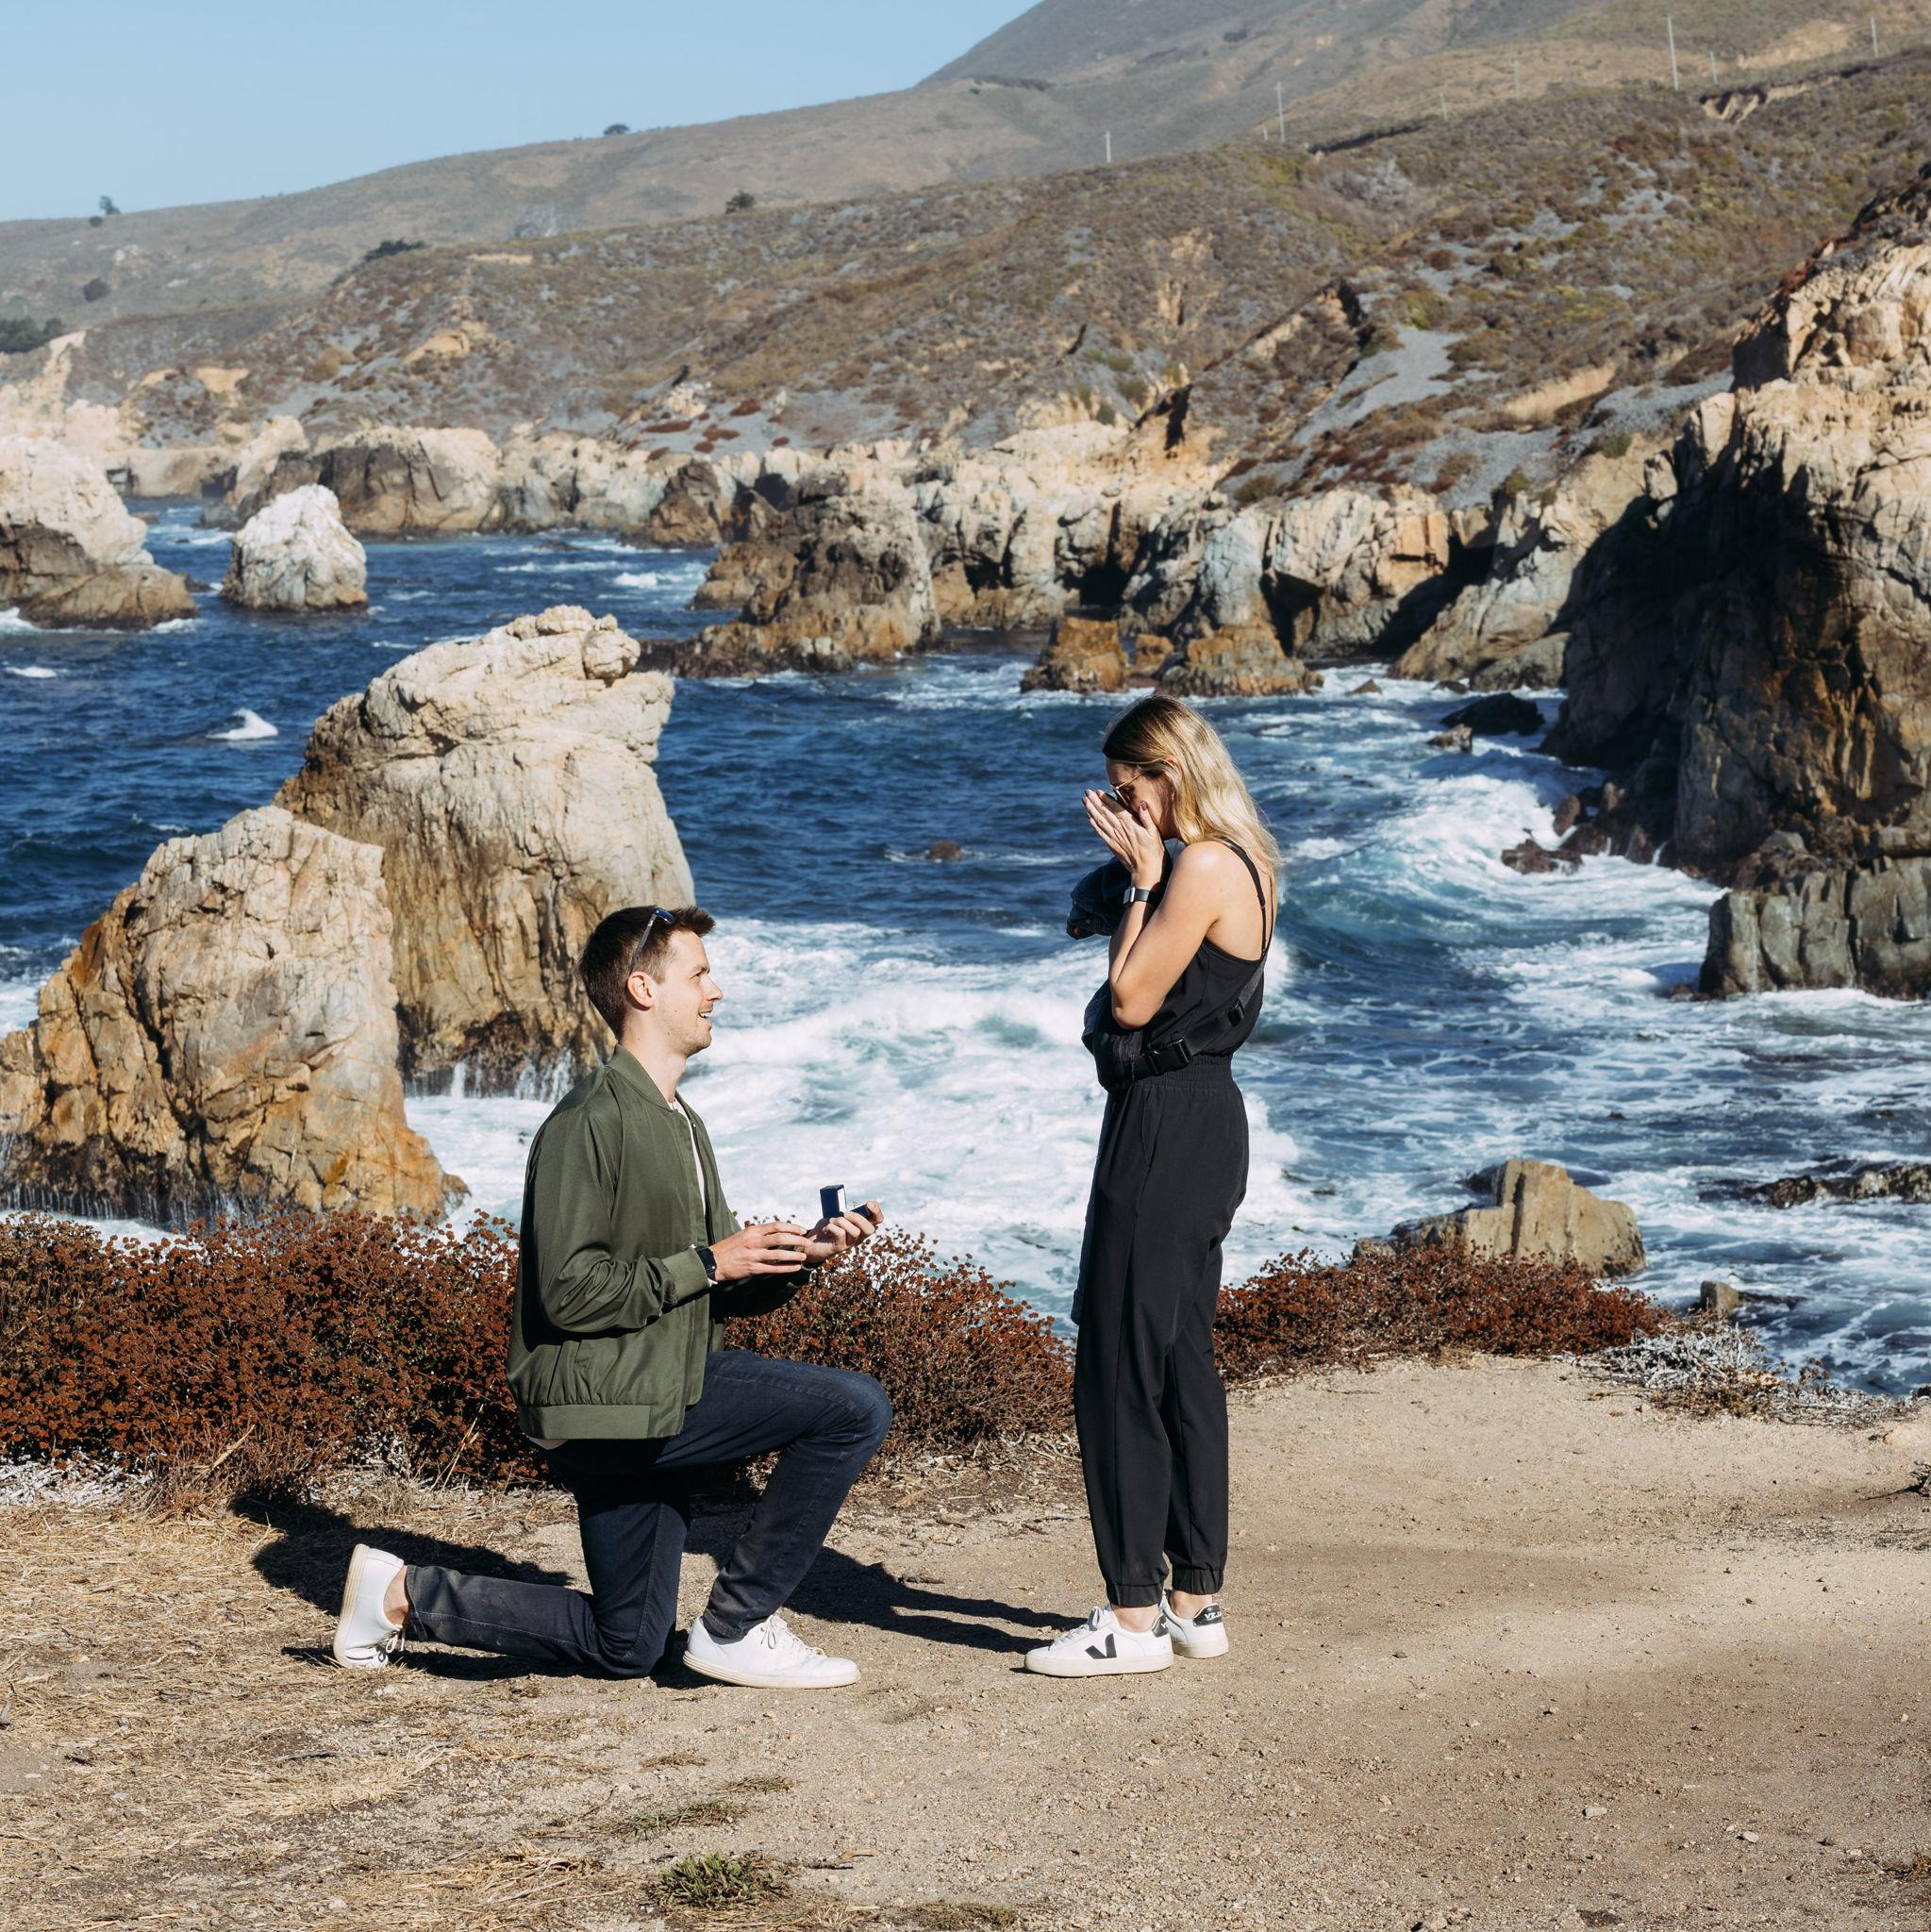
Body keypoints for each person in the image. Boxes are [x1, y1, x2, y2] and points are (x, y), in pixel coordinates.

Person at [331, 905, 891, 1690]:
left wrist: (798, 1261)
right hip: (611, 1398)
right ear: (642, 989)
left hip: (649, 1383)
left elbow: (711, 1290)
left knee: (625, 1644)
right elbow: (567, 1292)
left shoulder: (682, 1123)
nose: (715, 991)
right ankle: (737, 1626)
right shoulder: (588, 1122)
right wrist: (709, 1263)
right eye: (697, 975)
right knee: (852, 1408)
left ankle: (399, 1596)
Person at [1027, 696, 1277, 1678]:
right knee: (1177, 1360)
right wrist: (1136, 876)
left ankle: (1130, 1618)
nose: (1128, 812)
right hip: (1203, 1118)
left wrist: (1137, 884)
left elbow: (1131, 997)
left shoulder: (1203, 863)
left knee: (1118, 1369)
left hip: (1166, 1124)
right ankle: (1193, 1598)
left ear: (1168, 770)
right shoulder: (1241, 859)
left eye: (1133, 792)